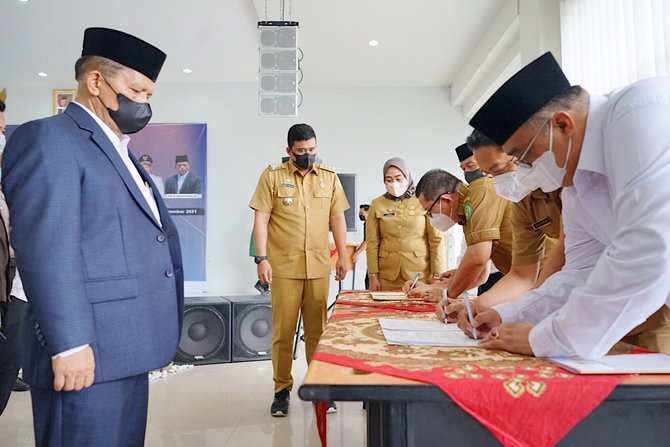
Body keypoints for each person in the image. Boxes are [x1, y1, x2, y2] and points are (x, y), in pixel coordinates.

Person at [3, 27, 183, 446]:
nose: (143, 103)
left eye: (149, 95)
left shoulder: (119, 149)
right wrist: (69, 345)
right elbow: (47, 249)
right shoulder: (50, 139)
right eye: (135, 90)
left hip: (126, 346)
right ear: (96, 81)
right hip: (85, 350)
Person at [460, 51, 670, 357]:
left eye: (523, 155)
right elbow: (578, 274)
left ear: (561, 124)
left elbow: (647, 251)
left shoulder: (639, 114)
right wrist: (507, 315)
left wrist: (549, 338)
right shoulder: (576, 187)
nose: (523, 168)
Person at [249, 123, 349, 416]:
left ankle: (319, 388)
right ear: (289, 150)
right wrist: (261, 258)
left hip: (318, 266)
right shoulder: (272, 176)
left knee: (318, 331)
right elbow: (261, 218)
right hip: (284, 267)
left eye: (312, 149)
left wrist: (343, 255)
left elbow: (337, 218)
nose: (308, 155)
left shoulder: (329, 177)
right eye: (302, 150)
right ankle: (281, 390)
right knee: (284, 332)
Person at [409, 167, 514, 302]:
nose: (431, 217)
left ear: (447, 200)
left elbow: (477, 258)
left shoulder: (480, 193)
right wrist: (436, 287)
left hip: (536, 276)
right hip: (525, 278)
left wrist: (447, 294)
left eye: (429, 211)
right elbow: (480, 275)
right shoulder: (466, 213)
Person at [365, 158, 445, 290]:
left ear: (407, 177)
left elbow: (436, 240)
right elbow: (372, 243)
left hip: (419, 274)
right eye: (389, 180)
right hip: (387, 276)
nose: (394, 183)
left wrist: (437, 274)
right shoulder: (377, 204)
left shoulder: (424, 200)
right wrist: (373, 275)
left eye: (398, 178)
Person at [455, 143, 504, 294]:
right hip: (484, 274)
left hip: (506, 273)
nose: (467, 172)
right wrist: (460, 270)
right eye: (463, 169)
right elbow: (472, 242)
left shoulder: (498, 189)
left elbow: (479, 256)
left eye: (471, 165)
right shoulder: (473, 196)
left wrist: (448, 291)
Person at [354, 204, 370, 289]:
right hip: (372, 257)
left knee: (369, 281)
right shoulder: (366, 223)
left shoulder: (370, 224)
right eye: (359, 213)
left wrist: (356, 254)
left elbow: (367, 241)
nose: (360, 215)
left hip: (377, 257)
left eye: (362, 213)